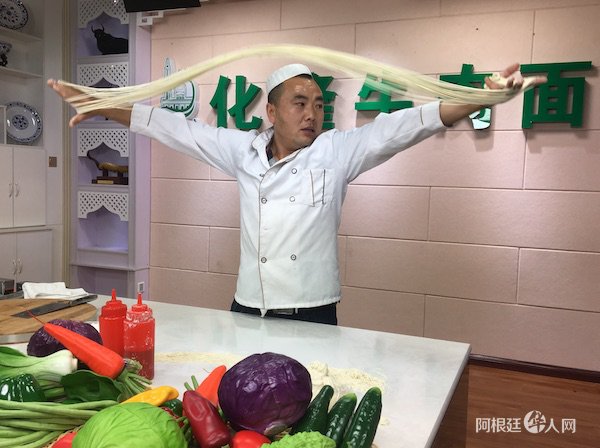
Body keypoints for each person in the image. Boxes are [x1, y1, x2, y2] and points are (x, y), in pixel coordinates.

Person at [48, 61, 546, 326]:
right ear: (271, 111)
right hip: (250, 305)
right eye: (299, 103)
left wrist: (480, 97)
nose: (312, 114)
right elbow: (176, 129)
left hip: (313, 307)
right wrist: (104, 104)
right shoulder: (243, 151)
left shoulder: (336, 151)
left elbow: (406, 126)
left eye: (319, 104)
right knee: (246, 407)